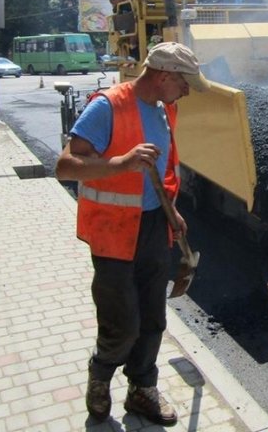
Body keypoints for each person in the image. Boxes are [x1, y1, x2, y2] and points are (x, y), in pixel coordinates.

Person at [55, 42, 210, 425]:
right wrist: (121, 163)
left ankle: (142, 389)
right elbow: (64, 166)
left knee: (154, 317)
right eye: (184, 83)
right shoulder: (109, 106)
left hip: (155, 226)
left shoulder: (164, 108)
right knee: (122, 323)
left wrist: (171, 210)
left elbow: (163, 173)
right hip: (113, 232)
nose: (187, 91)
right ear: (164, 76)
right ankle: (101, 375)